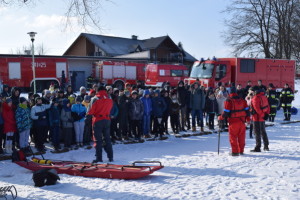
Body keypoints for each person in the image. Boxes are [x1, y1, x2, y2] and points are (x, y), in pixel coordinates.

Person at [87, 87, 113, 163]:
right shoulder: (109, 97)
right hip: (107, 119)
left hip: (98, 120)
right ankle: (110, 157)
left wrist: (87, 118)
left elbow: (90, 111)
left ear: (97, 91)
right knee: (107, 139)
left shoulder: (95, 99)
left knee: (98, 140)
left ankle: (99, 158)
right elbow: (111, 108)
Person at [222, 87, 249, 156]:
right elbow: (247, 111)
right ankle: (241, 150)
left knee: (233, 137)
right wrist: (248, 119)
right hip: (242, 121)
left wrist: (220, 117)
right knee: (241, 136)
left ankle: (235, 151)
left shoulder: (229, 100)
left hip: (233, 122)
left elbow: (226, 112)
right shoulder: (242, 100)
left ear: (229, 92)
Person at [250, 86, 270, 152]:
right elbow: (268, 106)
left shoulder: (255, 98)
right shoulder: (263, 96)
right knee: (263, 131)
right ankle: (266, 146)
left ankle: (258, 147)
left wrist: (262, 115)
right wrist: (266, 114)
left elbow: (257, 109)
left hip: (257, 118)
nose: (250, 92)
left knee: (257, 132)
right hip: (262, 117)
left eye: (251, 91)